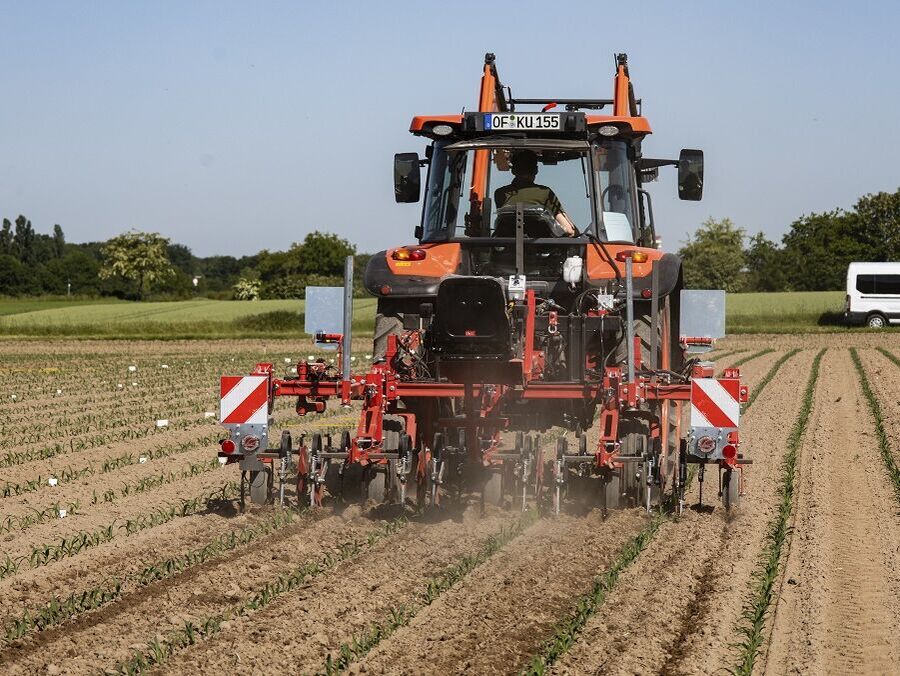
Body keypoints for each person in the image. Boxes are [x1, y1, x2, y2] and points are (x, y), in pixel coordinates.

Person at [493, 150, 576, 236]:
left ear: (513, 171)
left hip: (508, 246)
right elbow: (569, 230)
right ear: (536, 170)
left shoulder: (499, 193)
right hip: (542, 248)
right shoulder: (545, 192)